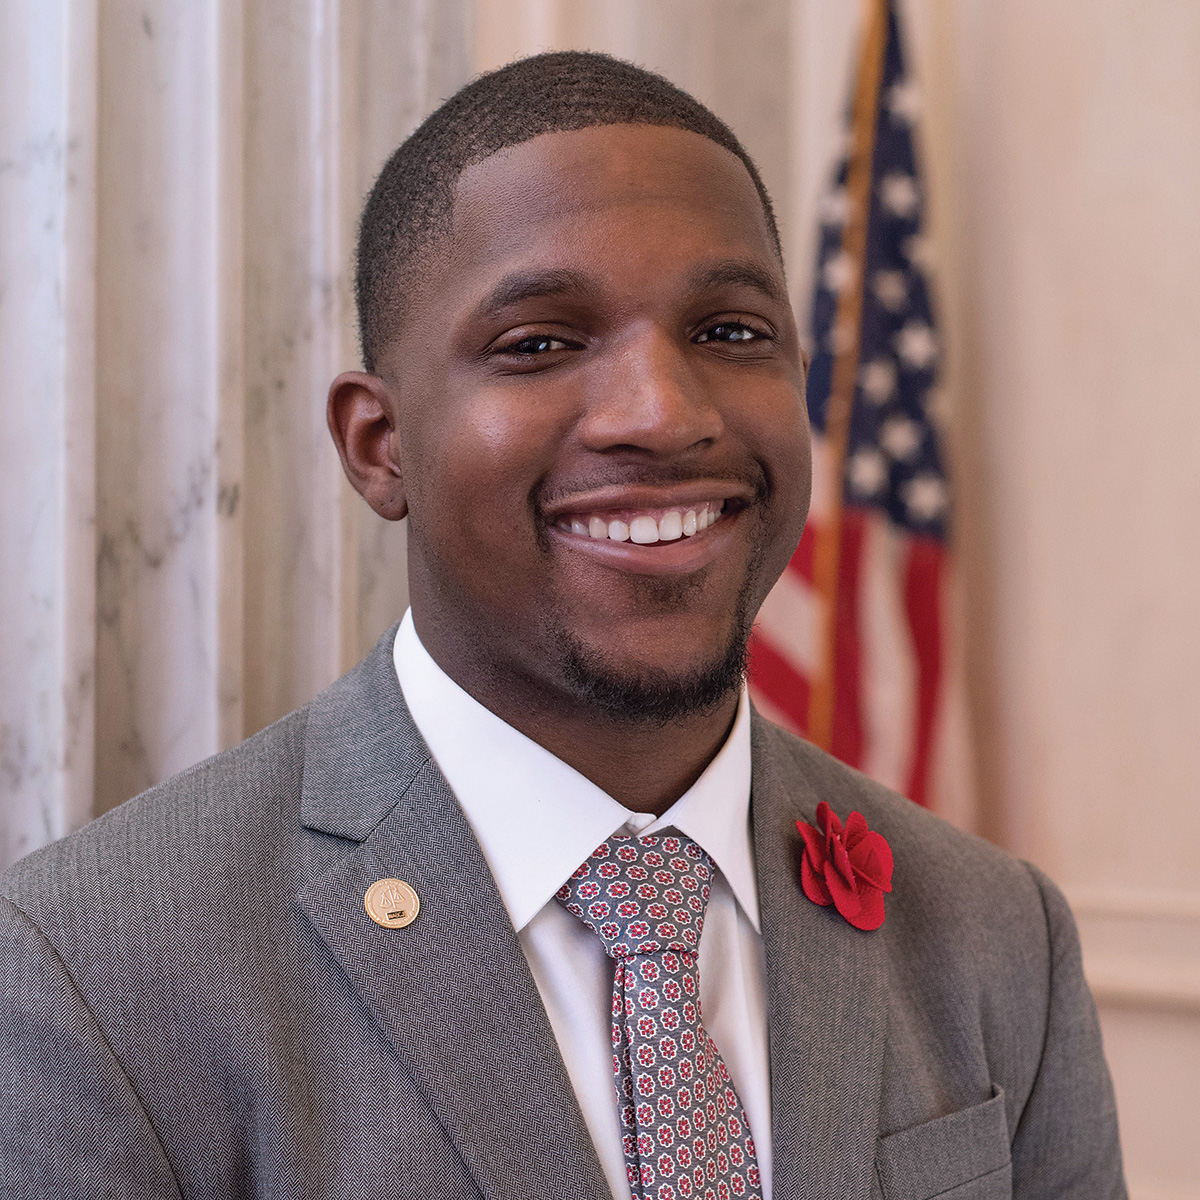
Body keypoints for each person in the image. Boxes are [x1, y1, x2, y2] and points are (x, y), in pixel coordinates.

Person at [0, 51, 1125, 1200]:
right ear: (379, 445)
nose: (664, 412)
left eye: (730, 333)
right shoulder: (91, 973)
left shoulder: (998, 939)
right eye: (539, 343)